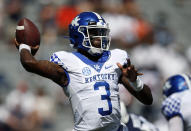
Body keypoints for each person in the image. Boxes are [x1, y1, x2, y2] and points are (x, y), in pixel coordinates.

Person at [14, 12, 153, 131]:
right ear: (78, 35)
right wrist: (24, 46)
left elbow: (147, 100)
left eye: (101, 33)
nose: (99, 38)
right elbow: (29, 63)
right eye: (94, 33)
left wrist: (136, 81)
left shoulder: (116, 59)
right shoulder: (67, 62)